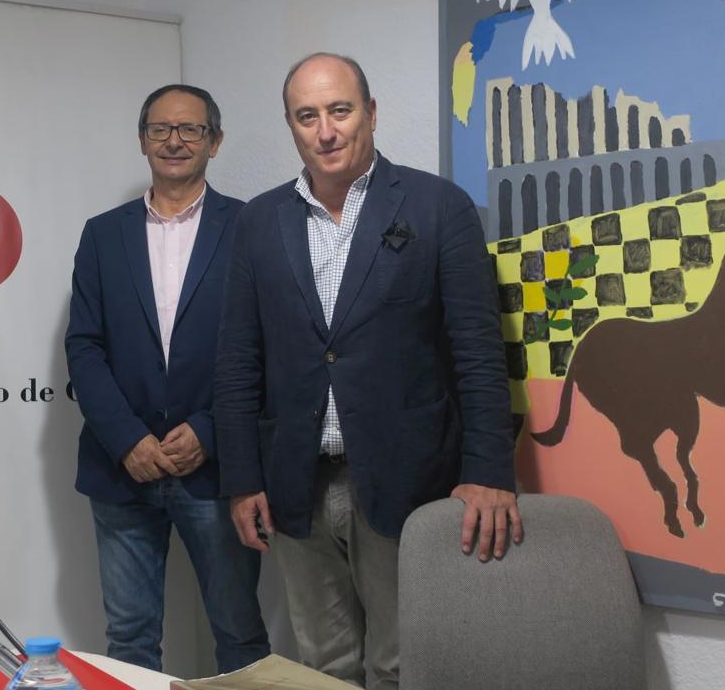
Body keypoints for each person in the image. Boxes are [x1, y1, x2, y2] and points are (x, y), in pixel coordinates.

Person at [214, 53, 522, 688]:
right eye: (307, 116)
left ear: (371, 114)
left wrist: (490, 472)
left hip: (406, 480)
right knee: (323, 667)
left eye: (340, 110)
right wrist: (242, 477)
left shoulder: (439, 206)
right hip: (294, 482)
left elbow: (478, 351)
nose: (325, 130)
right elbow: (238, 358)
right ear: (291, 127)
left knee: (401, 665)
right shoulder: (259, 222)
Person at [65, 84, 270, 673]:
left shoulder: (252, 225)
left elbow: (268, 346)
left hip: (218, 467)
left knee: (238, 634)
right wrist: (127, 438)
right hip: (121, 468)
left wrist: (209, 429)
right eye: (160, 129)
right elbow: (84, 345)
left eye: (191, 129)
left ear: (216, 141)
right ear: (142, 140)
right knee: (129, 640)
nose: (175, 141)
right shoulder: (102, 234)